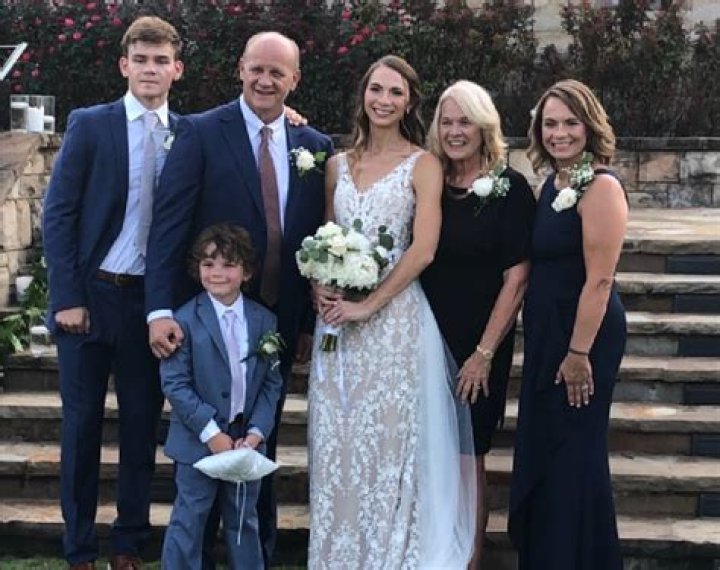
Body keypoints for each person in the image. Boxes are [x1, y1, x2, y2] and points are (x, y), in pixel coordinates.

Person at [144, 31, 333, 566]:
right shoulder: (202, 132)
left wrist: (302, 325)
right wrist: (159, 310)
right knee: (205, 453)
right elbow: (168, 227)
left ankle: (256, 554)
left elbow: (312, 237)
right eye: (257, 69)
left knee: (258, 444)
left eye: (277, 72)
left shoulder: (314, 145)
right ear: (240, 69)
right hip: (207, 324)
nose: (265, 80)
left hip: (277, 322)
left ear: (295, 80)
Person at [309, 55, 476, 568]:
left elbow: (423, 249)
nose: (384, 100)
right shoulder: (336, 164)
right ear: (363, 95)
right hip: (337, 325)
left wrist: (369, 306)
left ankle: (392, 554)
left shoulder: (423, 165)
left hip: (394, 322)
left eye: (395, 92)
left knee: (390, 442)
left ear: (409, 103)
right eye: (376, 89)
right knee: (338, 441)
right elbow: (325, 236)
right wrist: (320, 284)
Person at [42, 16, 184, 570]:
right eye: (140, 60)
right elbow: (58, 214)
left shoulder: (189, 133)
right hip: (91, 298)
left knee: (141, 428)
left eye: (160, 61)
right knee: (80, 430)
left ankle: (128, 544)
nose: (150, 69)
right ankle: (79, 549)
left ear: (176, 69)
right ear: (125, 65)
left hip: (150, 304)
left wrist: (288, 115)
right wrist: (66, 297)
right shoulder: (90, 124)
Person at [508, 79, 628, 569]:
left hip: (584, 337)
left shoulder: (601, 187)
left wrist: (578, 354)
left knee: (573, 454)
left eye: (570, 123)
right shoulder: (552, 186)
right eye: (550, 123)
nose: (559, 133)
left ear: (590, 126)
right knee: (547, 451)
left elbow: (600, 280)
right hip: (547, 334)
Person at [421, 80, 535, 568]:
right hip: (424, 337)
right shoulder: (427, 181)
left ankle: (468, 559)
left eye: (464, 121)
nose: (454, 131)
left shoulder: (510, 189)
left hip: (479, 342)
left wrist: (483, 355)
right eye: (446, 122)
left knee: (468, 457)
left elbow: (518, 278)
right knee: (427, 452)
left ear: (484, 126)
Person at [160, 223, 283, 569]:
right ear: (197, 268)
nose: (217, 273)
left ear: (247, 272)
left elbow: (271, 384)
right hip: (198, 439)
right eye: (208, 264)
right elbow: (175, 384)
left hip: (245, 441)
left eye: (229, 265)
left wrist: (256, 432)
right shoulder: (183, 320)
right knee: (190, 519)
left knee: (244, 520)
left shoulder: (264, 321)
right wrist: (211, 434)